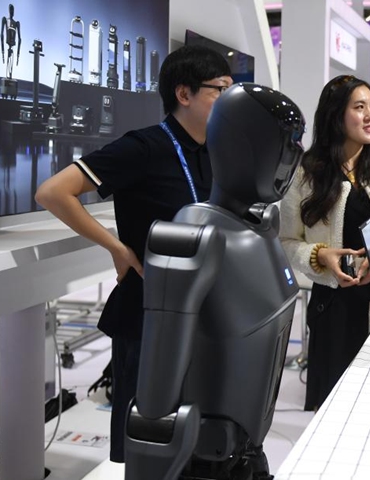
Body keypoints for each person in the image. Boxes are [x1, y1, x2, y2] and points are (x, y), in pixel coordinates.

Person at [35, 45, 232, 463]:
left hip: (201, 311)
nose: (229, 98)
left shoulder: (214, 151)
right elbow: (53, 192)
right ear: (184, 94)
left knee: (194, 437)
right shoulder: (143, 147)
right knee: (146, 440)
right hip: (148, 315)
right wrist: (116, 246)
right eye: (220, 89)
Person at [279, 75, 370, 410]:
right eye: (359, 107)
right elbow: (286, 242)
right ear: (335, 115)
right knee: (334, 410)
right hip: (333, 310)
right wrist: (319, 255)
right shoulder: (305, 173)